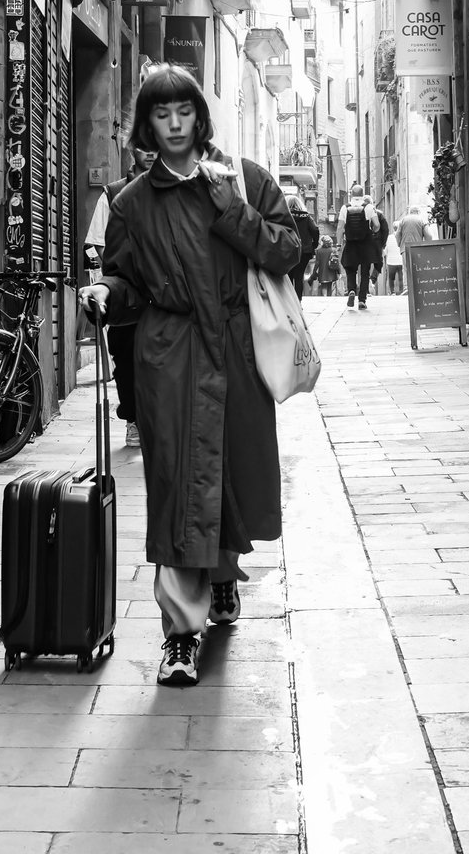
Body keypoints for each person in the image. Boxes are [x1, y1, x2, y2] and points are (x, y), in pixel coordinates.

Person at [78, 64, 301, 688]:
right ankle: (180, 634)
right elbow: (126, 283)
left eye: (183, 113)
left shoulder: (245, 181)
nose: (174, 125)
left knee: (227, 473)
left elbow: (288, 251)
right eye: (160, 114)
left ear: (200, 118)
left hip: (236, 349)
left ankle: (224, 577)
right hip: (169, 354)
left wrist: (236, 212)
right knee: (178, 485)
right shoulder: (130, 202)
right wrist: (103, 292)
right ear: (146, 124)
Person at [84, 145, 157, 447]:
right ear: (131, 148)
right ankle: (133, 419)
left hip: (166, 303)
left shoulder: (181, 190)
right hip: (128, 299)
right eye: (143, 143)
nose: (151, 150)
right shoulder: (114, 194)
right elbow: (99, 245)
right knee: (126, 364)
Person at [336, 183, 379, 310]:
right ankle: (362, 300)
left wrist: (338, 244)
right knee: (365, 272)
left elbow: (340, 228)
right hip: (365, 244)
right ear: (362, 195)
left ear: (351, 195)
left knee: (350, 269)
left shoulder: (345, 208)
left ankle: (351, 290)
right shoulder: (369, 207)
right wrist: (373, 232)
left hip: (350, 243)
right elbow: (376, 225)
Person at [286, 196, 320, 301]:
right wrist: (313, 245)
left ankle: (290, 302)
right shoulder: (306, 217)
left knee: (288, 276)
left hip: (288, 250)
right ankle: (298, 301)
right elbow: (315, 230)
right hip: (304, 251)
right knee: (299, 276)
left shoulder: (285, 216)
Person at [396, 206, 433, 293]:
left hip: (404, 248)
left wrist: (399, 244)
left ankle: (406, 287)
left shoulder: (403, 220)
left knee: (406, 268)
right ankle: (418, 286)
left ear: (410, 212)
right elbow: (429, 235)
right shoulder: (421, 220)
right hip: (418, 248)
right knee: (418, 267)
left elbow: (397, 235)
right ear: (418, 212)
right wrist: (427, 245)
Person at [363, 195, 389, 288]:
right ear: (372, 203)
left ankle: (366, 284)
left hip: (364, 242)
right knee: (379, 262)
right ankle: (372, 280)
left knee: (365, 263)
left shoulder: (361, 213)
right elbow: (385, 229)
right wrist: (383, 244)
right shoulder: (379, 214)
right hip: (376, 242)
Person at [384, 231, 404, 295]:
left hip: (391, 261)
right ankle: (402, 291)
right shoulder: (402, 236)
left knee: (391, 278)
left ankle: (392, 292)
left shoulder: (389, 237)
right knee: (401, 278)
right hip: (400, 260)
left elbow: (385, 250)